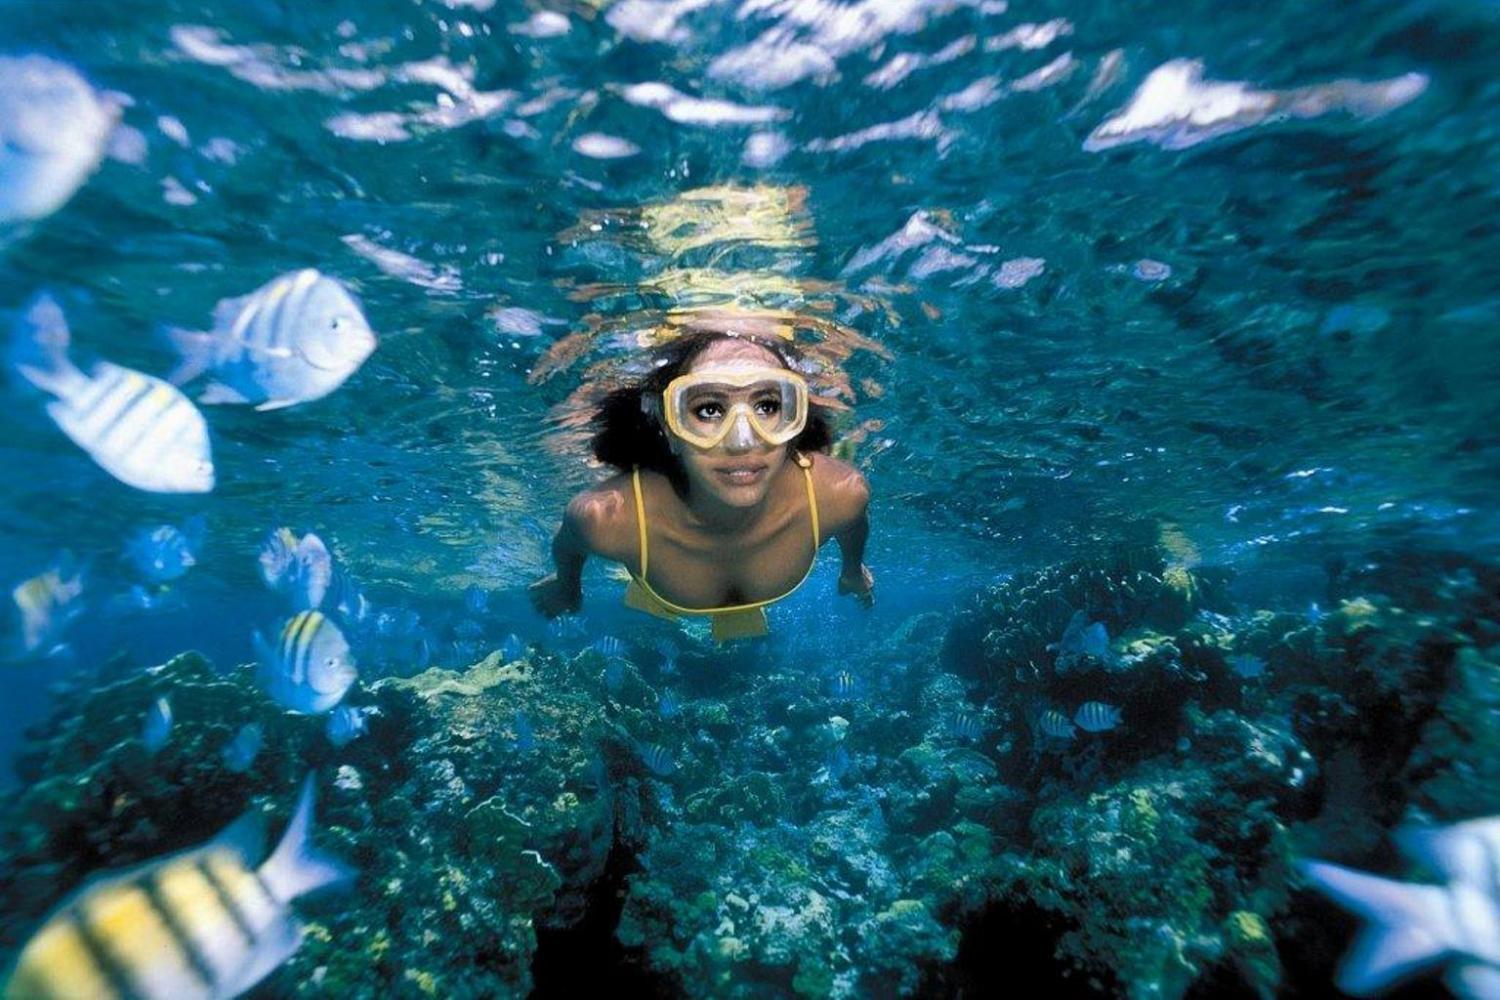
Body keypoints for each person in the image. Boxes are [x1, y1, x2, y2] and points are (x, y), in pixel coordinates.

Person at [530, 330, 874, 641]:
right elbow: (569, 546)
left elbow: (853, 528)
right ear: (669, 428)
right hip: (660, 592)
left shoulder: (841, 494)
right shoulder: (606, 519)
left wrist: (852, 571)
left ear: (793, 421)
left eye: (767, 406)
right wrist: (566, 585)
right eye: (709, 410)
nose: (743, 442)